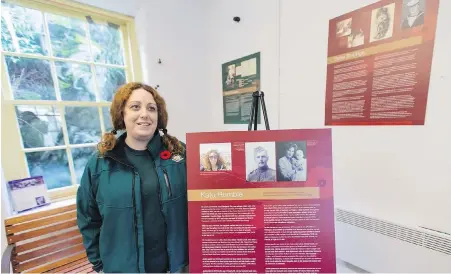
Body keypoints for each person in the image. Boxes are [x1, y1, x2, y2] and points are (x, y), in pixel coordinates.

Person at [76, 82, 188, 273]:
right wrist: (98, 263)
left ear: (159, 116)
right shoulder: (101, 163)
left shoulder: (180, 155)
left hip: (176, 267)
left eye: (151, 108)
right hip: (122, 268)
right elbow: (88, 217)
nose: (144, 114)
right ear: (122, 114)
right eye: (135, 107)